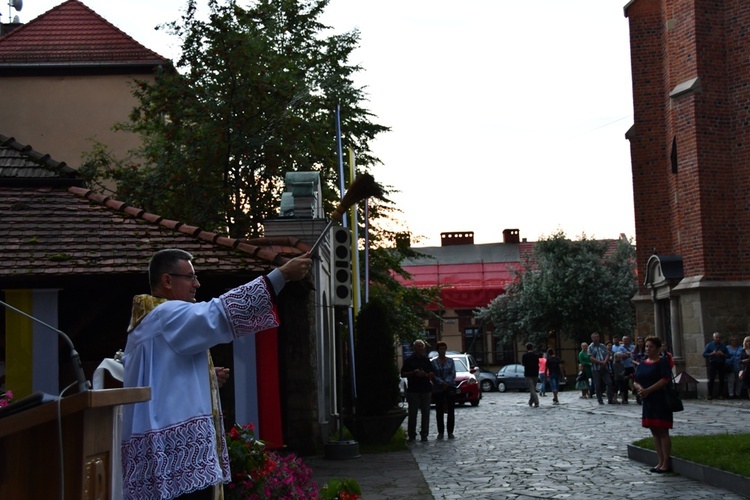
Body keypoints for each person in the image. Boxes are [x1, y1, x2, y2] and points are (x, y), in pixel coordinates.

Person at [121, 248, 312, 500]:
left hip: (163, 448)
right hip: (172, 454)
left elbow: (164, 377)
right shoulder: (167, 315)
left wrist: (209, 378)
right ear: (167, 280)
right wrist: (281, 276)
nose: (196, 284)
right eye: (190, 277)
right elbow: (220, 312)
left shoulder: (153, 318)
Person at [633, 336, 674, 473]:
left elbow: (665, 379)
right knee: (654, 431)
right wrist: (640, 389)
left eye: (651, 347)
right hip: (648, 400)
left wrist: (648, 390)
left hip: (660, 399)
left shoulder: (662, 362)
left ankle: (666, 461)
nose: (648, 349)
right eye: (646, 347)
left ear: (657, 348)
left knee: (662, 430)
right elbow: (636, 380)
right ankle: (660, 460)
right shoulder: (643, 363)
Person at [401, 339, 435, 442]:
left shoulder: (426, 360)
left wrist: (425, 374)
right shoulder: (409, 360)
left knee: (426, 413)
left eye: (421, 347)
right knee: (413, 413)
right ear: (414, 348)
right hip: (413, 389)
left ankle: (424, 434)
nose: (420, 348)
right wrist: (413, 373)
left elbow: (432, 373)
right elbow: (403, 373)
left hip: (425, 389)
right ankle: (412, 435)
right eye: (418, 346)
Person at [431, 341, 456, 439]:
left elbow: (452, 373)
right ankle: (440, 432)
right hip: (438, 388)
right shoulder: (434, 362)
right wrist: (441, 383)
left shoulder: (450, 361)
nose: (442, 351)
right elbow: (433, 375)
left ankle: (450, 431)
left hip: (449, 387)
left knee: (451, 410)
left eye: (444, 349)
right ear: (437, 350)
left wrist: (447, 383)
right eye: (440, 349)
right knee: (439, 411)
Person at [588, 332, 614, 405]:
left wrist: (604, 362)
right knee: (597, 384)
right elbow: (591, 357)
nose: (596, 339)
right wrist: (600, 362)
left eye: (597, 337)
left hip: (604, 367)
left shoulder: (602, 346)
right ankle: (600, 399)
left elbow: (607, 354)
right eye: (594, 337)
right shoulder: (590, 347)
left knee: (609, 382)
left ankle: (610, 399)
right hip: (595, 368)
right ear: (592, 338)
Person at [703, 332, 729, 400]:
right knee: (711, 379)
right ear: (713, 338)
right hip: (713, 363)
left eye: (719, 337)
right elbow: (704, 354)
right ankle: (710, 394)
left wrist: (722, 354)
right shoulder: (709, 345)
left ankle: (720, 394)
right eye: (716, 337)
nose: (718, 339)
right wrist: (712, 353)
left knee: (722, 379)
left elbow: (728, 355)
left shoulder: (723, 346)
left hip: (721, 363)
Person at [522, 343, 540, 407]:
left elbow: (523, 364)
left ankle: (536, 401)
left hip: (528, 374)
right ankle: (531, 401)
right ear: (532, 348)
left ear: (527, 348)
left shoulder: (525, 356)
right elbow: (538, 363)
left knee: (531, 388)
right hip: (535, 373)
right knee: (533, 388)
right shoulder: (536, 355)